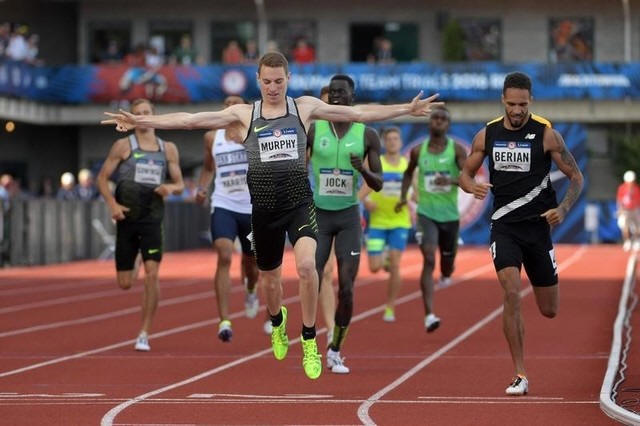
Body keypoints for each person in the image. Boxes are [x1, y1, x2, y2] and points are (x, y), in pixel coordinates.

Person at [102, 52, 442, 379]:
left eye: (279, 81)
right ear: (258, 80)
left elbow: (360, 114)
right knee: (270, 281)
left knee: (308, 268)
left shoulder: (304, 107)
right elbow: (191, 120)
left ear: (288, 79)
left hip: (299, 204)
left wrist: (406, 109)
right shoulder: (245, 114)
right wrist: (140, 121)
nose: (273, 87)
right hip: (264, 210)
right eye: (267, 82)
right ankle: (278, 321)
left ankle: (309, 340)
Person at [459, 72, 583, 395]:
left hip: (538, 229)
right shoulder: (487, 135)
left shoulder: (547, 135)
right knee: (511, 291)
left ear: (531, 101)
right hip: (504, 227)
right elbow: (465, 174)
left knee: (549, 310)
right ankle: (520, 373)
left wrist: (564, 209)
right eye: (512, 104)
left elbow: (576, 177)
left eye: (523, 105)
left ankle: (521, 366)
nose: (517, 111)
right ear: (503, 100)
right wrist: (470, 186)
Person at [307, 74, 383, 374]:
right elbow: (298, 167)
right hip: (319, 214)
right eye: (332, 92)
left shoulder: (367, 135)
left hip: (348, 216)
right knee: (311, 276)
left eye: (342, 92)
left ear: (353, 97)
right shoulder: (314, 130)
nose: (336, 96)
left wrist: (362, 169)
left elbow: (378, 183)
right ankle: (308, 336)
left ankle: (335, 349)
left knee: (347, 288)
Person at [97, 98, 185, 352]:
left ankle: (144, 332)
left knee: (152, 274)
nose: (143, 116)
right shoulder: (123, 145)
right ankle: (135, 259)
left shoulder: (167, 148)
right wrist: (112, 205)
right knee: (125, 283)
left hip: (152, 218)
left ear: (154, 115)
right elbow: (102, 178)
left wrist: (170, 188)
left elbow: (180, 184)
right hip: (127, 218)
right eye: (138, 113)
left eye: (147, 112)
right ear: (132, 118)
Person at [195, 95, 262, 342]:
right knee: (224, 254)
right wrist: (202, 188)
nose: (230, 106)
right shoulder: (212, 137)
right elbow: (208, 168)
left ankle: (251, 288)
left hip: (251, 208)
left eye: (236, 103)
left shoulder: (254, 134)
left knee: (252, 264)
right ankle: (224, 320)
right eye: (226, 103)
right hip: (223, 204)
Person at [396, 106, 466, 332]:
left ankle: (447, 271)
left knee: (447, 262)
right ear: (429, 122)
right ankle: (429, 315)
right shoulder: (418, 151)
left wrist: (451, 181)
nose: (438, 121)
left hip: (450, 216)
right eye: (435, 118)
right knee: (428, 258)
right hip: (426, 213)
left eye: (443, 119)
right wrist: (403, 197)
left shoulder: (456, 150)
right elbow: (408, 173)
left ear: (448, 124)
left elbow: (467, 177)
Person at [361, 127, 412, 322]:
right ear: (384, 142)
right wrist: (366, 201)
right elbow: (363, 185)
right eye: (388, 139)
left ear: (400, 142)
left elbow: (414, 190)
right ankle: (384, 258)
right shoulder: (377, 163)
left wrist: (411, 201)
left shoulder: (407, 165)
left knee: (396, 265)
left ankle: (390, 307)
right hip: (378, 222)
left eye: (395, 139)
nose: (392, 142)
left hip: (400, 221)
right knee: (374, 268)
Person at [616, 170, 640, 251]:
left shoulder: (636, 188)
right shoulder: (622, 188)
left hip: (635, 210)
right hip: (625, 210)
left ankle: (636, 240)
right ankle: (627, 241)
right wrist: (620, 210)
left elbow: (638, 201)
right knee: (625, 227)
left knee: (638, 227)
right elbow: (619, 200)